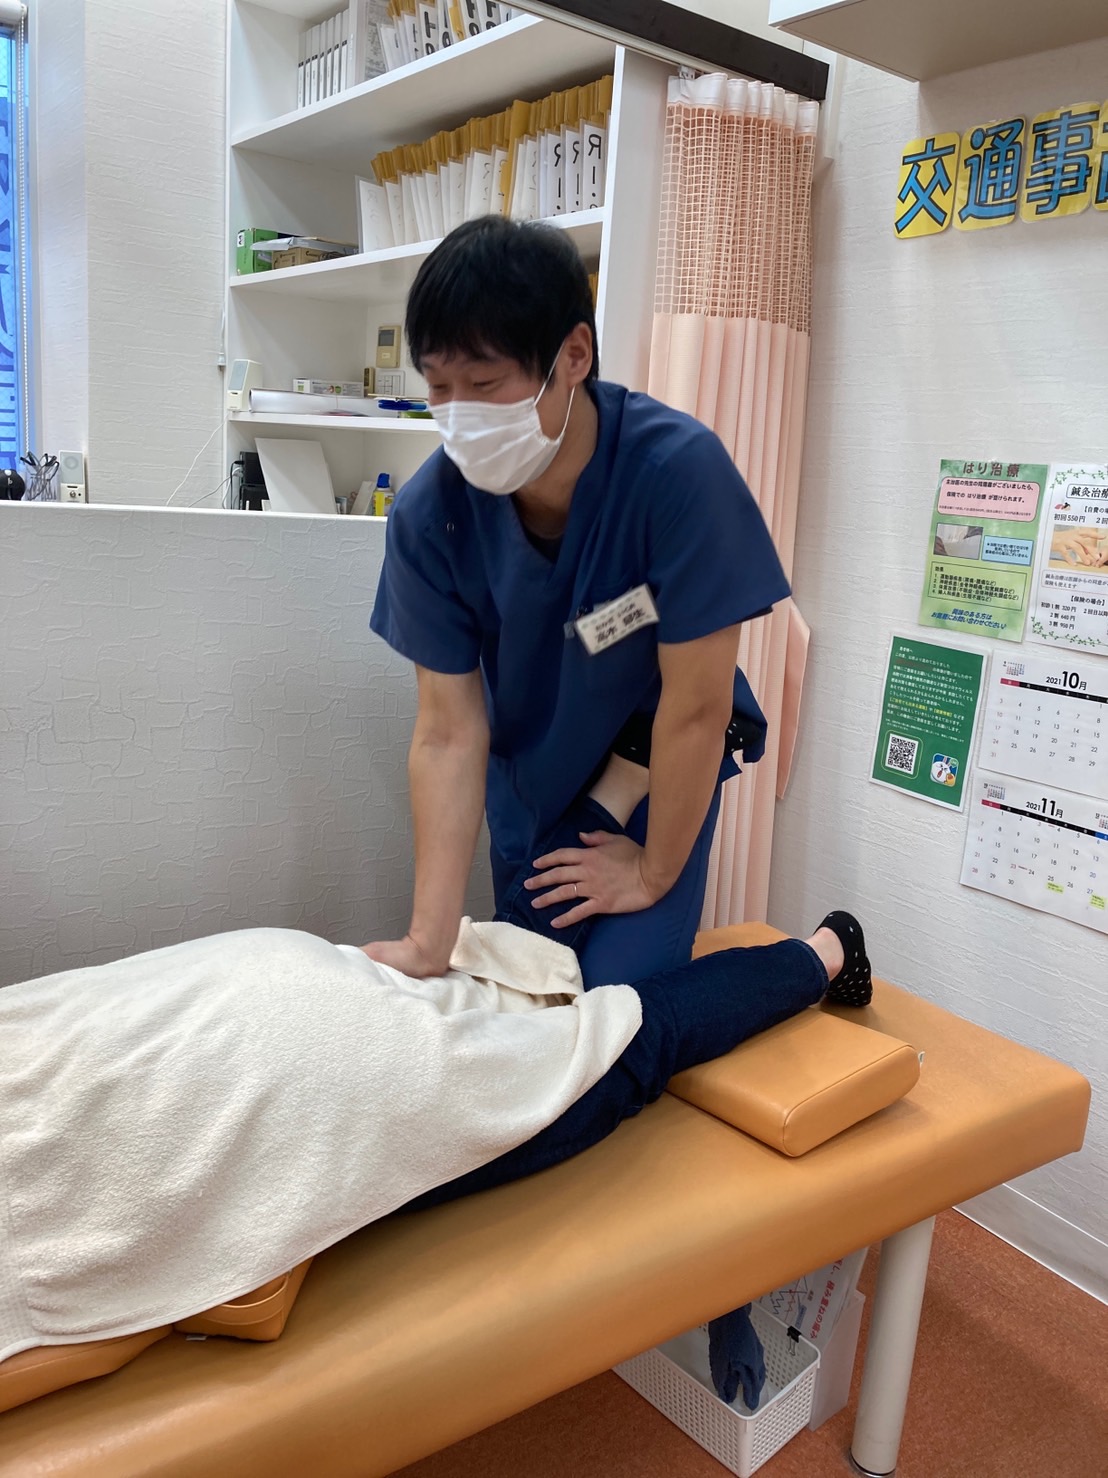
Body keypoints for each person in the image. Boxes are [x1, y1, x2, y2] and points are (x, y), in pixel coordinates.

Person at [0, 910, 872, 1367]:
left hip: (313, 1071)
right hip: (247, 981)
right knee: (487, 1015)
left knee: (622, 1049)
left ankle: (828, 951)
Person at [367, 216, 790, 989]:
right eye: (438, 387)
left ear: (573, 355)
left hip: (658, 760)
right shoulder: (432, 515)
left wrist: (653, 872)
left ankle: (818, 957)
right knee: (530, 990)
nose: (459, 415)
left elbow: (696, 709)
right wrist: (428, 942)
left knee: (618, 1008)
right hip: (534, 779)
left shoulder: (677, 477)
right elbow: (447, 732)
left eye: (484, 386)